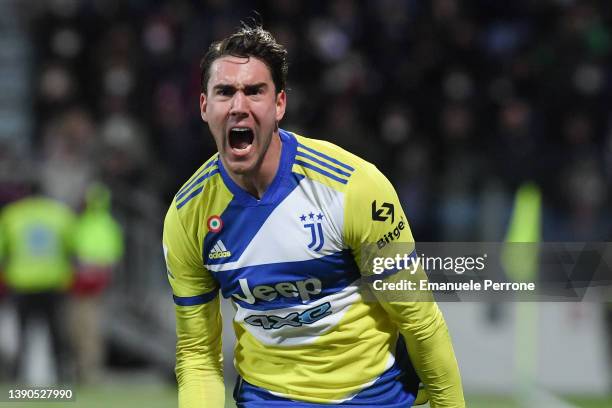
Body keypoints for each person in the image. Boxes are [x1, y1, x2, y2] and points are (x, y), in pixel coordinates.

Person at [163, 22, 464, 408]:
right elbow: (197, 355)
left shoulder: (353, 187)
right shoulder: (188, 215)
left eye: (255, 91)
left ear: (279, 104)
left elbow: (420, 321)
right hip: (267, 398)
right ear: (205, 106)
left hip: (375, 395)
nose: (239, 106)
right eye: (225, 92)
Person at [0, 188, 76, 383]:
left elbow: (2, 249)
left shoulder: (13, 214)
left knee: (22, 333)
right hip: (53, 283)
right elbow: (72, 248)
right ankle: (62, 375)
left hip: (22, 283)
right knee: (56, 333)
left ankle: (16, 376)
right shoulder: (60, 214)